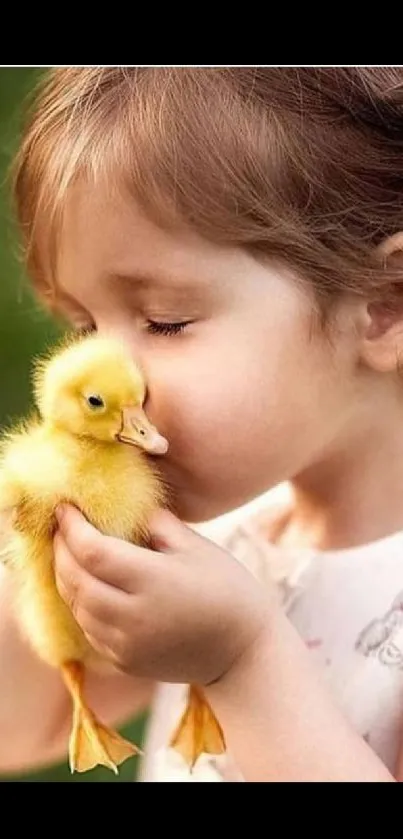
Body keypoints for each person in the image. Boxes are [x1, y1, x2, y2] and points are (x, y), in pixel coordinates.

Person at [2, 66, 403, 782]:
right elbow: (21, 724)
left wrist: (240, 660)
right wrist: (31, 555)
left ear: (383, 304)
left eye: (164, 320)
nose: (109, 365)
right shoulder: (206, 539)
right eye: (85, 324)